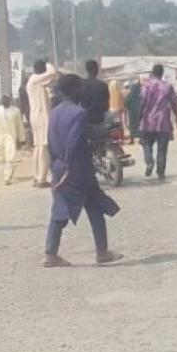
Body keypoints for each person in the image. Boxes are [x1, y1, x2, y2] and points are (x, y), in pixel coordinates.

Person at [43, 74, 122, 267]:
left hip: (60, 167)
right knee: (87, 209)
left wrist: (57, 167)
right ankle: (100, 252)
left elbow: (51, 142)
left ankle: (51, 253)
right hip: (78, 170)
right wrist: (70, 166)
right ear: (74, 90)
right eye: (80, 88)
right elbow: (74, 140)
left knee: (66, 209)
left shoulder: (54, 112)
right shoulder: (79, 113)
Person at [138, 64, 177, 181]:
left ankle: (149, 162)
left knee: (146, 143)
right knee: (162, 148)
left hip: (148, 121)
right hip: (163, 122)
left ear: (152, 72)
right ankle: (160, 172)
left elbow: (142, 102)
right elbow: (173, 103)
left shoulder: (146, 86)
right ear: (162, 73)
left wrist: (139, 117)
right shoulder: (167, 86)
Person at [26, 61, 59, 187]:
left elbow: (50, 79)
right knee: (44, 147)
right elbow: (52, 72)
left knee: (38, 147)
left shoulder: (34, 81)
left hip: (36, 116)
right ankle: (42, 178)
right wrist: (48, 63)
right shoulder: (35, 80)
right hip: (41, 117)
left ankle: (36, 176)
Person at [0, 95, 24, 185]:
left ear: (9, 101)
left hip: (11, 137)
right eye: (2, 99)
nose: (4, 101)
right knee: (2, 158)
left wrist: (21, 139)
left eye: (6, 99)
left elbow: (19, 125)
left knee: (10, 157)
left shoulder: (15, 111)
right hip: (0, 138)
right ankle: (10, 170)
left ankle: (7, 178)